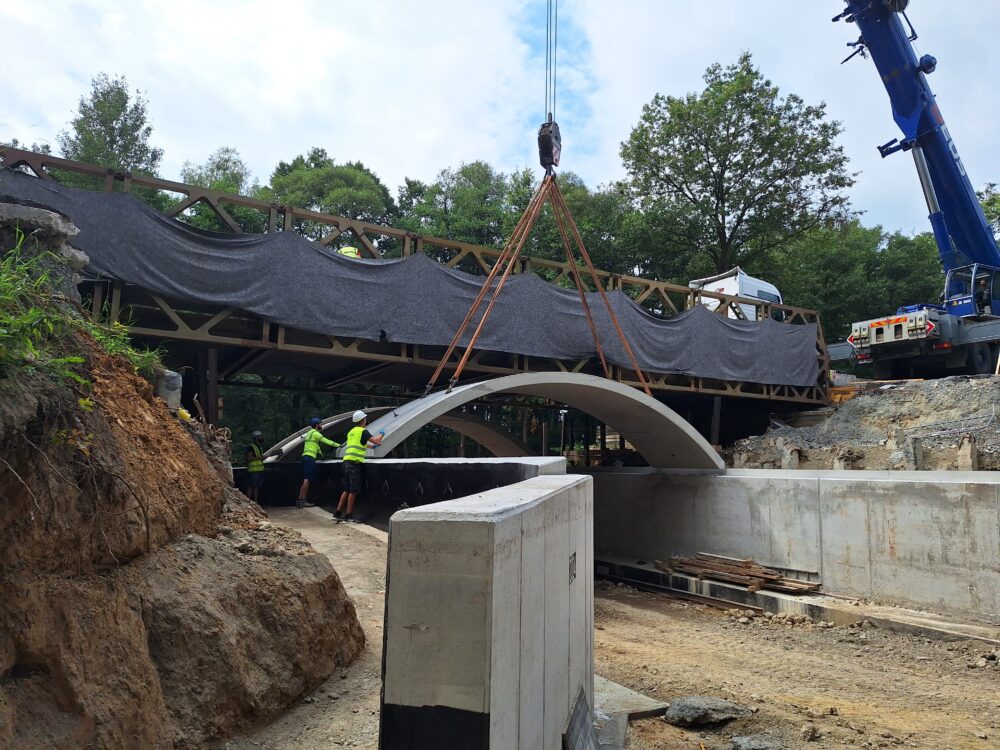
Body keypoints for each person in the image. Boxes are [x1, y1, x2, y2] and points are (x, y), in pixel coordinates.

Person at [333, 410, 384, 522]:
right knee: (353, 490)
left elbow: (360, 444)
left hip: (346, 462)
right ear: (363, 420)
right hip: (354, 464)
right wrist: (382, 434)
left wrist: (372, 447)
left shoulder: (351, 432)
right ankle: (348, 514)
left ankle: (337, 512)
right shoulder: (363, 431)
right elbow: (376, 441)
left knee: (346, 489)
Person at [298, 417, 340, 508]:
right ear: (317, 425)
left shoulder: (309, 433)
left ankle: (300, 500)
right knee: (307, 480)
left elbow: (315, 445)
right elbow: (327, 441)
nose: (321, 425)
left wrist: (320, 453)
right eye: (320, 424)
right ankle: (303, 501)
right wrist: (340, 445)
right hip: (310, 458)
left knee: (305, 479)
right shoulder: (316, 433)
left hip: (305, 457)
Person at [244, 430, 266, 503]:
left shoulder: (259, 447)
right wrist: (260, 458)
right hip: (253, 471)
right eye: (260, 436)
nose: (262, 438)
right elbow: (249, 458)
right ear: (256, 438)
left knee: (256, 487)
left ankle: (255, 502)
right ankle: (248, 502)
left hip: (259, 470)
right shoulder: (251, 447)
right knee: (251, 486)